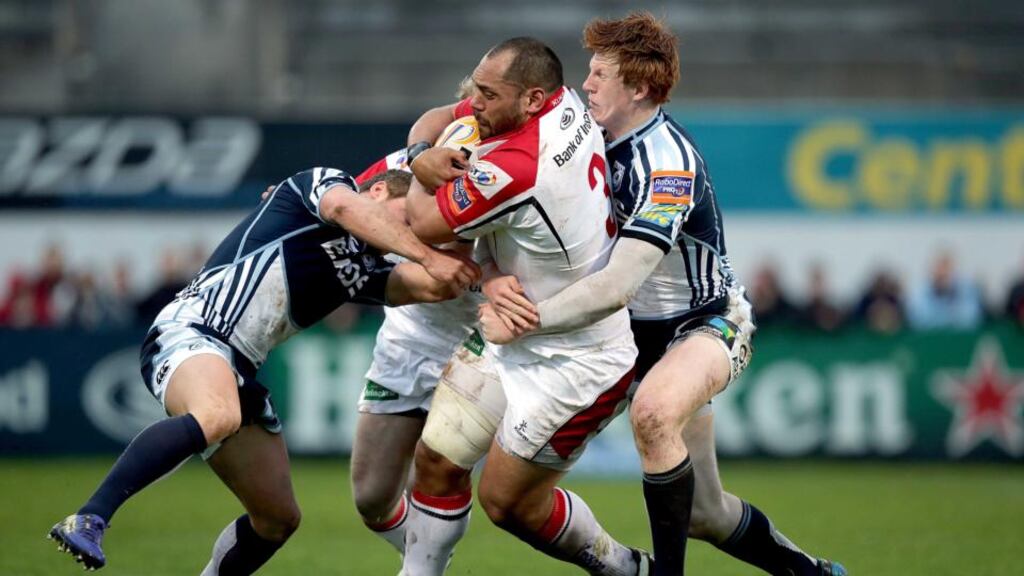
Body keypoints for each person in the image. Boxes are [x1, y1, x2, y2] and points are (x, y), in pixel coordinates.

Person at [480, 13, 845, 576]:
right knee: (706, 514)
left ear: (640, 89)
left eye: (601, 74)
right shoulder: (585, 130)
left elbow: (617, 283)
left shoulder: (666, 164)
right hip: (625, 338)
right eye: (589, 71)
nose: (587, 84)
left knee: (652, 414)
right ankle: (815, 574)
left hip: (702, 325)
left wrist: (527, 319)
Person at [48, 167, 481, 573]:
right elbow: (346, 209)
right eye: (404, 220)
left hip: (239, 368)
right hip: (193, 329)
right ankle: (89, 517)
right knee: (218, 415)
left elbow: (430, 285)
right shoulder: (322, 187)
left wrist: (480, 253)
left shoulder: (366, 267)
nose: (400, 235)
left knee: (276, 518)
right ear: (379, 190)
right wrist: (426, 253)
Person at [399, 37, 651, 575]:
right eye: (478, 90)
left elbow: (421, 223)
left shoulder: (517, 165)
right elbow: (441, 114)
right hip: (507, 328)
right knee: (436, 461)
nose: (476, 103)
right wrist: (428, 148)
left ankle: (624, 567)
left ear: (532, 98)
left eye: (488, 95)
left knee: (508, 504)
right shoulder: (559, 104)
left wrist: (418, 165)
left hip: (580, 360)